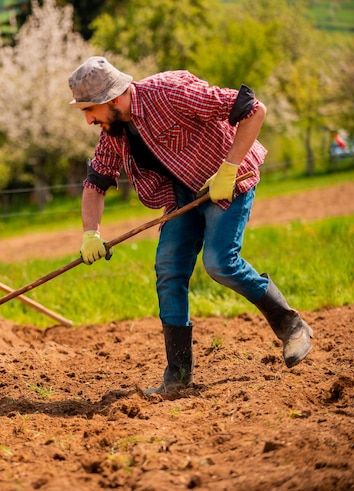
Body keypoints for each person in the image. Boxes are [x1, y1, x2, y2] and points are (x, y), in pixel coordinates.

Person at [68, 56, 313, 394]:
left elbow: (254, 109)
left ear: (110, 99)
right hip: (183, 197)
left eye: (88, 110)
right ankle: (178, 376)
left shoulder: (169, 91)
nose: (87, 120)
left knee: (219, 262)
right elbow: (95, 184)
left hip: (227, 179)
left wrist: (228, 168)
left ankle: (291, 324)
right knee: (168, 267)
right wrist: (91, 233)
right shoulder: (114, 134)